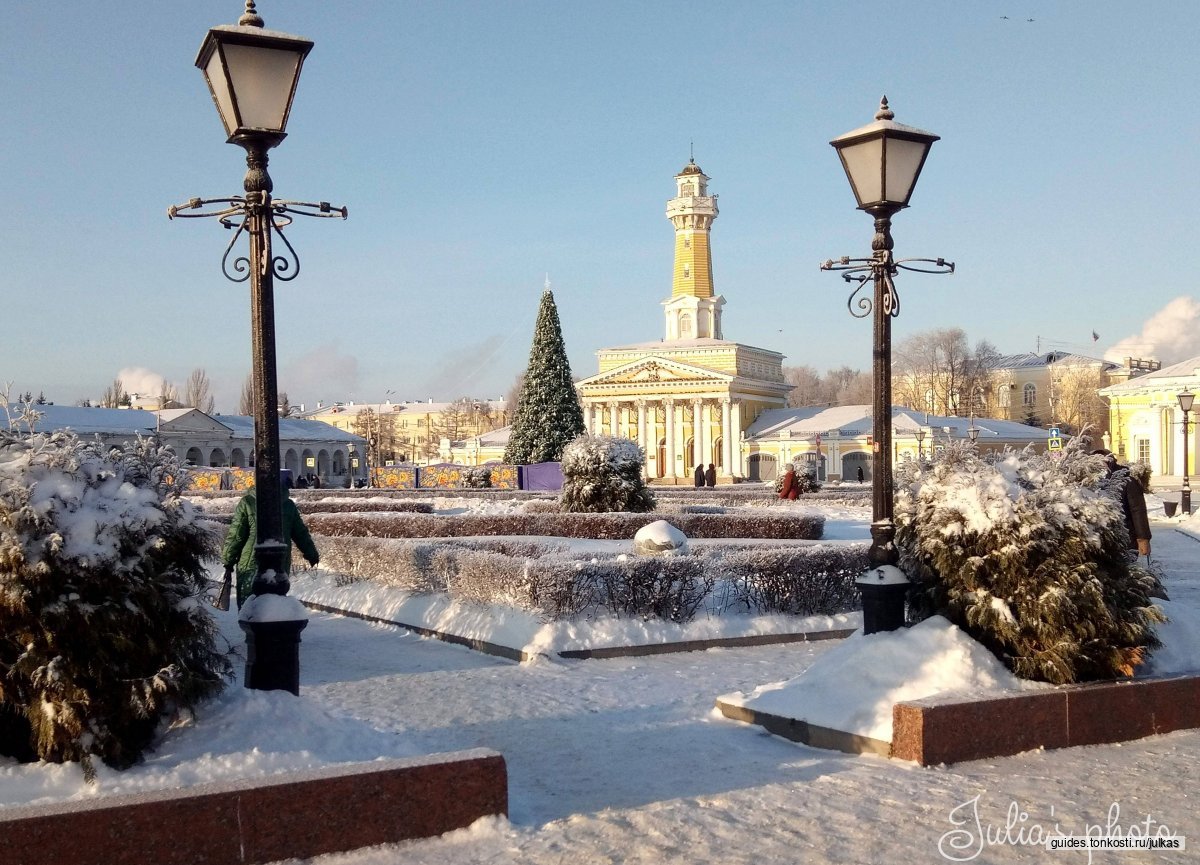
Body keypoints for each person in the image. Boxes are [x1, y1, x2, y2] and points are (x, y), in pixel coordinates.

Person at [221, 474, 320, 608]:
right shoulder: (288, 505)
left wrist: (228, 559)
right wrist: (311, 554)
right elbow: (300, 533)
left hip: (250, 562)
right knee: (275, 601)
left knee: (249, 606)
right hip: (279, 562)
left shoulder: (248, 502)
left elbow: (236, 535)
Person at [1093, 449, 1151, 557]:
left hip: (1125, 538)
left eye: (1103, 462)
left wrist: (1143, 539)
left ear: (1110, 462)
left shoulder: (1127, 481)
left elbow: (1138, 510)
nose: (1100, 466)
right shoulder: (1091, 483)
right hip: (1098, 540)